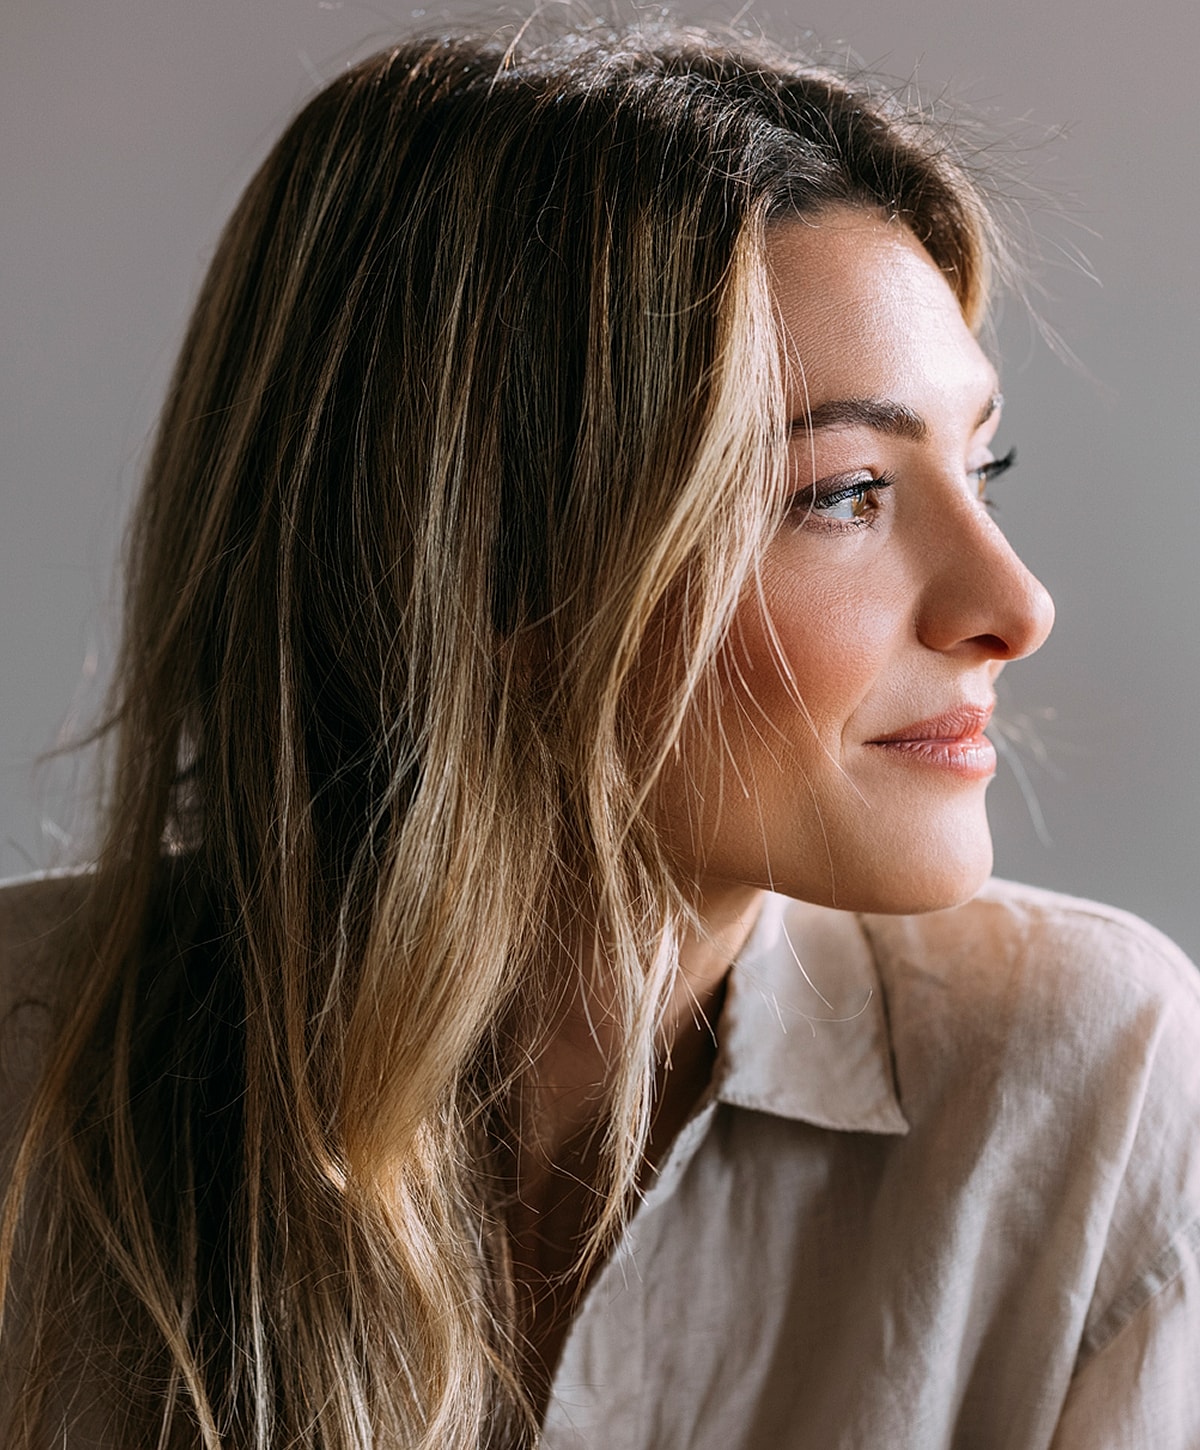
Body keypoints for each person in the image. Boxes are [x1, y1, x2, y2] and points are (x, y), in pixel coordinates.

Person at [1, 19, 1197, 1449]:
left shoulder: (1092, 1083)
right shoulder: (30, 1077)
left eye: (979, 464)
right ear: (486, 570)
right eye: (842, 493)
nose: (1017, 602)